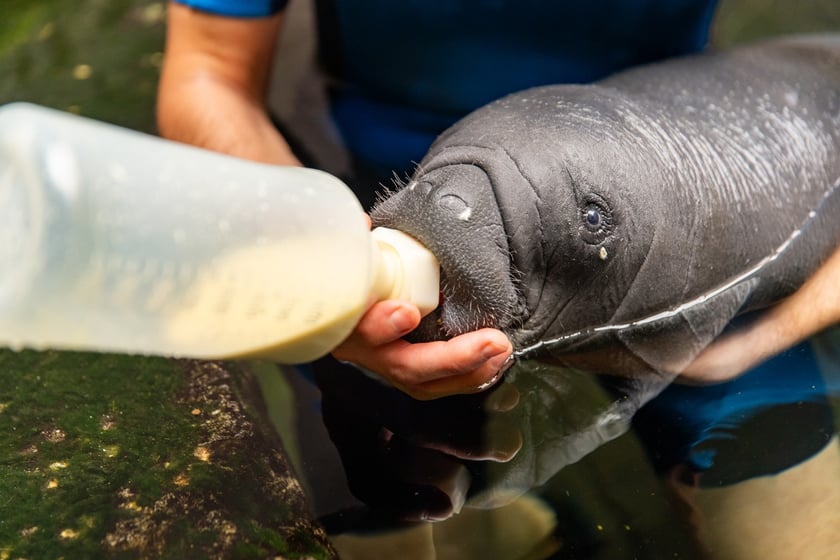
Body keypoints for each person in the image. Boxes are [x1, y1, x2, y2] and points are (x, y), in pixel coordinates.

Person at [157, 0, 840, 398]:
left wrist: (758, 341)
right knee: (394, 493)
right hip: (367, 178)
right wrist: (320, 264)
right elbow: (209, 75)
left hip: (682, 183)